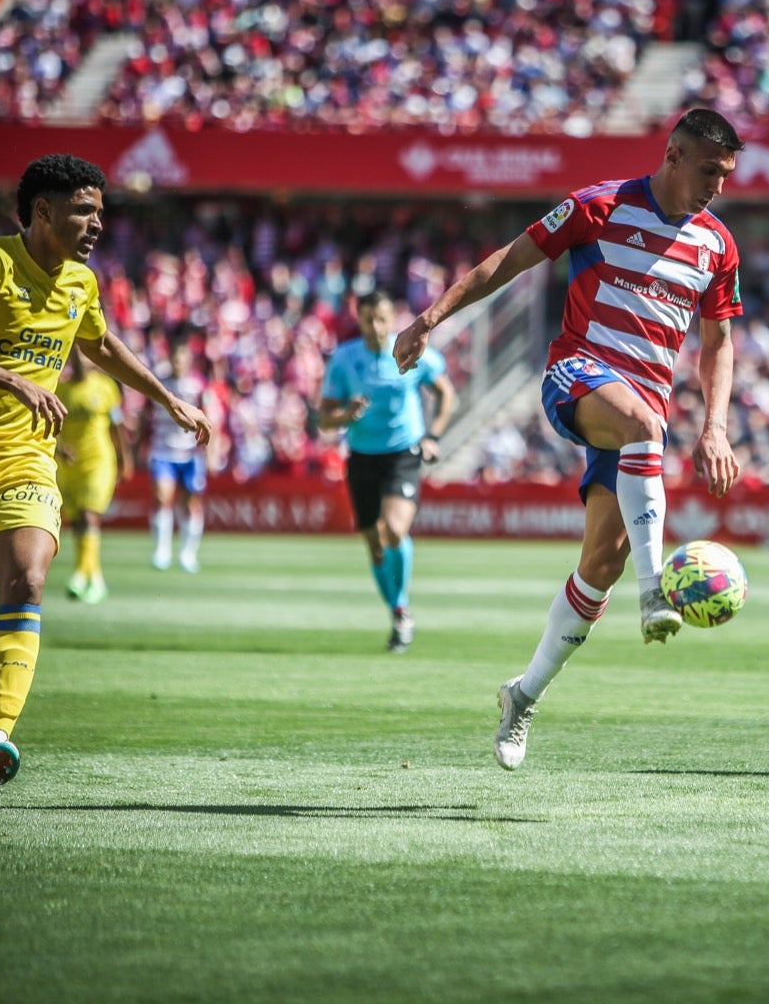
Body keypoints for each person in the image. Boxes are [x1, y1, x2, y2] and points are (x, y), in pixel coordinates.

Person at [392, 108, 745, 770]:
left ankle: (522, 695)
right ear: (673, 156)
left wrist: (716, 426)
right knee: (642, 426)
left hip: (642, 419)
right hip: (578, 375)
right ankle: (655, 590)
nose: (718, 186)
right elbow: (508, 262)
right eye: (709, 171)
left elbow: (718, 342)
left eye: (726, 174)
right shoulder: (599, 206)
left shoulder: (717, 246)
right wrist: (430, 318)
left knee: (599, 566)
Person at [0, 154, 211, 800]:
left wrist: (168, 398)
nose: (97, 224)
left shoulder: (81, 283)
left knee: (27, 579)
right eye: (84, 210)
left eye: (100, 212)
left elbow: (100, 344)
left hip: (24, 457)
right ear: (42, 211)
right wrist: (10, 378)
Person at [318, 290, 457, 653]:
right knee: (375, 546)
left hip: (403, 454)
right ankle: (398, 612)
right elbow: (325, 418)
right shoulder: (344, 359)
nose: (375, 327)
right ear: (359, 320)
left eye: (381, 319)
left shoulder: (411, 349)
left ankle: (400, 609)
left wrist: (433, 436)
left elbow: (446, 394)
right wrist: (346, 415)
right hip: (362, 457)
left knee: (394, 529)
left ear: (392, 319)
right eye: (368, 320)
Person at [55, 350, 132, 603]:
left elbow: (116, 427)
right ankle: (95, 579)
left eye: (85, 355)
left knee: (89, 515)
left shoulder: (106, 387)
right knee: (78, 521)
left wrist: (124, 459)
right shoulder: (60, 390)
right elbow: (51, 429)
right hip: (70, 464)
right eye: (75, 355)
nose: (81, 360)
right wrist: (58, 449)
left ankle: (79, 574)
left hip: (99, 461)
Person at [144, 341, 210, 573]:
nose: (179, 363)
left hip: (190, 453)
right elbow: (146, 414)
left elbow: (209, 418)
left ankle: (187, 554)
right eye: (175, 358)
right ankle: (161, 551)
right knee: (162, 497)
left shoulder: (198, 386)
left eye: (183, 358)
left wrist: (210, 450)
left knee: (190, 503)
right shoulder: (160, 384)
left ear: (189, 361)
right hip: (163, 450)